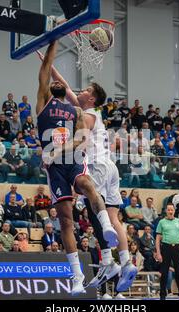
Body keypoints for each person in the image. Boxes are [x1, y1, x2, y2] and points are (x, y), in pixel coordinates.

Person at [35, 42, 119, 295]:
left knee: (87, 185)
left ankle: (105, 226)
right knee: (65, 220)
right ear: (51, 88)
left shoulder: (76, 111)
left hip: (71, 160)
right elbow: (47, 67)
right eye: (54, 82)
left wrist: (57, 151)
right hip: (55, 170)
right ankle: (77, 277)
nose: (59, 84)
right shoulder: (43, 103)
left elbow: (82, 138)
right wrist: (52, 41)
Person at [156, 203, 179, 300]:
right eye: (168, 210)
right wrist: (158, 252)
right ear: (166, 211)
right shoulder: (161, 222)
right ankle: (162, 295)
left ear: (174, 211)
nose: (170, 211)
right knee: (164, 273)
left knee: (178, 272)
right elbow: (157, 238)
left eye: (172, 210)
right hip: (165, 247)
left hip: (177, 248)